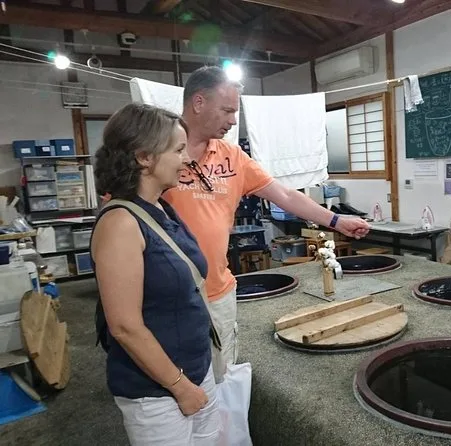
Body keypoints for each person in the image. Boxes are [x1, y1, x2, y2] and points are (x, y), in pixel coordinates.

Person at [162, 66, 371, 382]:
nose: (234, 120)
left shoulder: (232, 156)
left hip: (218, 290)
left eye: (235, 111)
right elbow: (122, 213)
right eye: (227, 110)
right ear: (199, 102)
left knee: (220, 375)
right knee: (174, 379)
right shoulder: (158, 150)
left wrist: (337, 220)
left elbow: (284, 195)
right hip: (167, 294)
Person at [91, 103, 221, 445]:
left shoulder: (162, 208)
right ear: (144, 158)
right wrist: (181, 388)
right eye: (178, 150)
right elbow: (124, 326)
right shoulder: (120, 223)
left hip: (196, 370)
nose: (186, 159)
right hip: (159, 392)